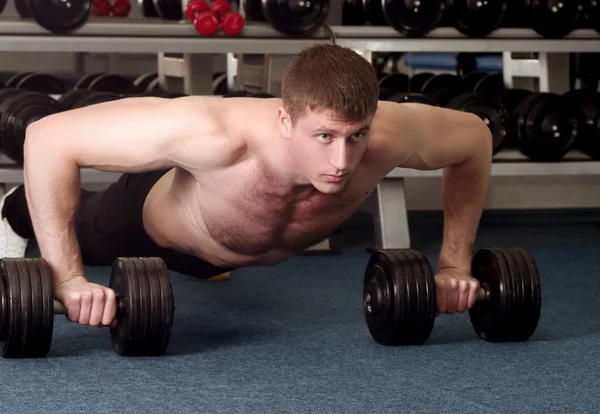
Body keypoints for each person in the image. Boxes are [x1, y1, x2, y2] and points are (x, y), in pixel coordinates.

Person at [1, 44, 492, 329]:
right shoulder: (212, 131)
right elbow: (48, 138)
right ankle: (11, 208)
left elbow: (475, 139)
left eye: (356, 136)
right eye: (323, 137)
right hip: (149, 226)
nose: (341, 160)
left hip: (219, 247)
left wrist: (454, 263)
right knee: (85, 224)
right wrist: (66, 278)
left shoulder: (393, 133)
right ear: (284, 120)